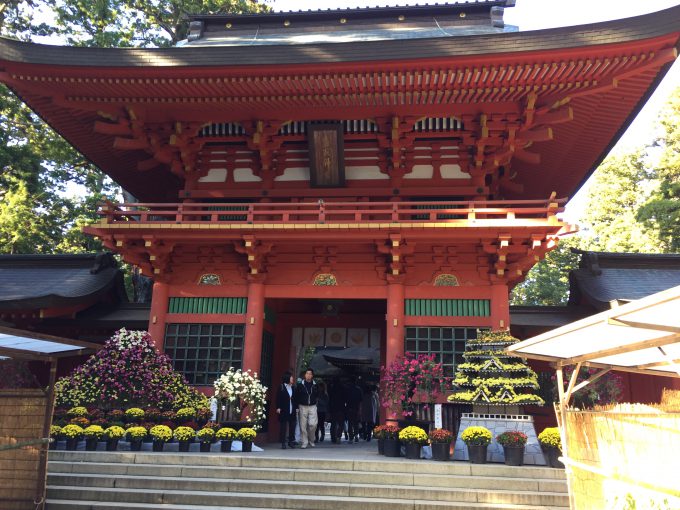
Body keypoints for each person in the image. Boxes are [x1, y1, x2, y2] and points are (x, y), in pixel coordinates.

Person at [293, 367, 319, 449]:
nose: (308, 375)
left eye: (310, 374)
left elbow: (318, 395)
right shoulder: (300, 385)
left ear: (312, 376)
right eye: (307, 373)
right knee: (303, 425)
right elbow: (296, 396)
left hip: (312, 406)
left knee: (313, 424)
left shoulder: (315, 385)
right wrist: (296, 406)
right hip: (302, 406)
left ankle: (311, 439)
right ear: (305, 375)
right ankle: (304, 441)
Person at [275, 371, 297, 449]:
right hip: (284, 409)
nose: (292, 379)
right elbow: (278, 398)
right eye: (291, 377)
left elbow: (295, 399)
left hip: (292, 409)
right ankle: (283, 442)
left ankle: (291, 441)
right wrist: (278, 407)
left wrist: (296, 408)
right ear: (287, 378)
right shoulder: (281, 387)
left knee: (292, 426)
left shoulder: (293, 387)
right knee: (283, 427)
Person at [328, 378, 346, 443]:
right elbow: (345, 398)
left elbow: (329, 398)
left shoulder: (331, 389)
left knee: (333, 424)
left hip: (333, 408)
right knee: (341, 424)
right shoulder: (343, 388)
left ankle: (333, 438)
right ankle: (338, 436)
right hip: (341, 408)